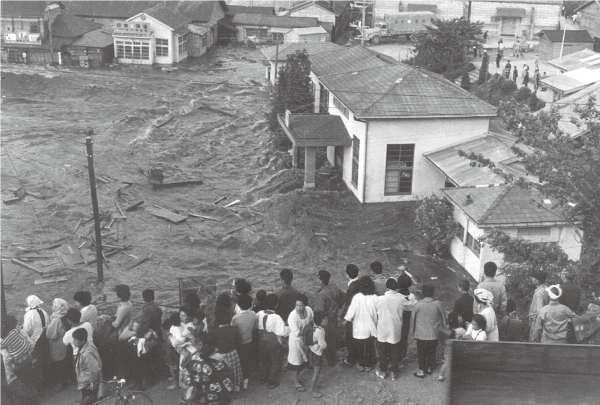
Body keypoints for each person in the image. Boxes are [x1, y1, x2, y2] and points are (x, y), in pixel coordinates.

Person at [181, 339, 235, 405]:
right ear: (213, 350)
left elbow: (186, 381)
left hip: (199, 395)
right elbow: (229, 374)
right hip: (217, 395)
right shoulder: (221, 359)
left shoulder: (193, 360)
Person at [411, 284, 446, 378]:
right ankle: (430, 367)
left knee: (421, 352)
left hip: (421, 334)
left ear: (422, 293)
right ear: (433, 293)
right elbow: (443, 318)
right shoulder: (438, 304)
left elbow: (413, 320)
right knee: (432, 351)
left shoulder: (418, 304)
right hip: (434, 334)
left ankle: (422, 370)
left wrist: (412, 332)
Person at [344, 276, 377, 372]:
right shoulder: (375, 298)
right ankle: (368, 365)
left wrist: (346, 320)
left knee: (360, 346)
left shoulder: (357, 297)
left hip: (359, 327)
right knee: (369, 346)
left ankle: (361, 364)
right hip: (371, 326)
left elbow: (351, 312)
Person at [257, 293, 290, 389]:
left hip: (262, 338)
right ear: (276, 305)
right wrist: (290, 328)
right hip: (272, 339)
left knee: (263, 359)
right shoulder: (276, 317)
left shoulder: (259, 313)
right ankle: (272, 380)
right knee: (275, 360)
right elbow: (282, 332)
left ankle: (263, 377)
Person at [374, 278, 404, 380]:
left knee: (382, 350)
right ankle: (394, 371)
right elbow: (410, 306)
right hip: (395, 328)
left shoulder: (380, 299)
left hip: (382, 327)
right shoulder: (401, 298)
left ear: (387, 287)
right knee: (394, 350)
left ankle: (383, 370)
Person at [312, 269, 345, 365]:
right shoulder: (334, 288)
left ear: (320, 280)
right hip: (334, 318)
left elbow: (319, 312)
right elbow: (344, 296)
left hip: (325, 321)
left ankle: (330, 361)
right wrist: (339, 305)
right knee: (332, 338)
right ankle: (332, 358)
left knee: (326, 339)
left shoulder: (321, 294)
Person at [134, 288, 163, 391]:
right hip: (157, 334)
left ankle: (141, 384)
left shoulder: (146, 309)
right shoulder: (156, 307)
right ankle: (151, 380)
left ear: (144, 298)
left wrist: (137, 334)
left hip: (149, 337)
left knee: (141, 358)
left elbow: (145, 324)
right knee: (151, 359)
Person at [287, 294, 314, 391]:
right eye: (296, 305)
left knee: (304, 359)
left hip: (306, 339)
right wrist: (307, 330)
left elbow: (311, 321)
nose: (298, 307)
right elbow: (296, 332)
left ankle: (297, 378)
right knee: (296, 362)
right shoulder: (292, 316)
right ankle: (295, 382)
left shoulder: (309, 310)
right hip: (296, 341)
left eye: (300, 305)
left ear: (305, 305)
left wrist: (314, 329)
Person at [211, 311, 242, 391]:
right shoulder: (234, 329)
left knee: (224, 372)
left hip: (221, 355)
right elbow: (239, 342)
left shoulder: (215, 332)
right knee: (234, 370)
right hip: (233, 352)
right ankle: (236, 385)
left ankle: (225, 388)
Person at [23, 295, 49, 389]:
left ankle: (39, 385)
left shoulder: (29, 314)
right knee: (44, 360)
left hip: (36, 340)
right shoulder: (44, 312)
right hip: (44, 338)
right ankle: (46, 382)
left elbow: (27, 330)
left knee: (36, 362)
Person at [231, 293, 257, 390]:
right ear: (250, 304)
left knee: (240, 363)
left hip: (239, 345)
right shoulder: (253, 314)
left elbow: (233, 332)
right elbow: (254, 328)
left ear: (238, 305)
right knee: (247, 362)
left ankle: (239, 381)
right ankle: (246, 381)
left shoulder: (235, 318)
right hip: (249, 342)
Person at [0, 315, 35, 386]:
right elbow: (30, 342)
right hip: (27, 354)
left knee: (22, 378)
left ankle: (10, 376)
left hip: (18, 361)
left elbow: (7, 357)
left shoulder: (3, 342)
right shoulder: (16, 331)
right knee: (30, 376)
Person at [45, 298, 71, 392]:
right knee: (65, 363)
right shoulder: (67, 315)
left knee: (57, 365)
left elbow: (50, 335)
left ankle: (59, 385)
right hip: (67, 343)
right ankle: (67, 380)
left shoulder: (56, 320)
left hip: (58, 345)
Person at [73, 328, 102, 402]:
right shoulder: (85, 347)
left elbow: (94, 370)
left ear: (82, 340)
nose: (74, 342)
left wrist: (94, 384)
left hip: (88, 384)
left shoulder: (87, 353)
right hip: (87, 383)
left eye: (76, 340)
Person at [437, 312, 466, 382]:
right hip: (456, 350)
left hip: (448, 349)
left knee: (447, 362)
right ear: (456, 320)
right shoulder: (461, 330)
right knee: (450, 363)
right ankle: (441, 376)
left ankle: (441, 376)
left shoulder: (448, 328)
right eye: (459, 317)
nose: (461, 317)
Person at [342, 264, 360, 367]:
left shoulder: (351, 288)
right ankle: (356, 356)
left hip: (353, 316)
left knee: (349, 337)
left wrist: (344, 318)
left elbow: (349, 305)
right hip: (359, 314)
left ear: (347, 275)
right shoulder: (359, 283)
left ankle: (351, 359)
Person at [398, 267, 417, 363]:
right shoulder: (412, 297)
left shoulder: (397, 297)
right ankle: (402, 356)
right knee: (404, 338)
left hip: (398, 319)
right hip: (407, 320)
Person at [308, 311, 328, 398]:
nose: (327, 320)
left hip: (312, 351)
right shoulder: (320, 331)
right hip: (316, 353)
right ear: (322, 320)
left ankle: (314, 386)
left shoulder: (315, 327)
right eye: (326, 319)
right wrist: (326, 345)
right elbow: (322, 345)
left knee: (317, 370)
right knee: (317, 371)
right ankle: (312, 390)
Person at [529, 271, 549, 341]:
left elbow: (539, 310)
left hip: (536, 320)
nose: (531, 279)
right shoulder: (546, 289)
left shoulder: (540, 293)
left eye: (533, 278)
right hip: (545, 319)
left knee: (534, 340)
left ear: (537, 280)